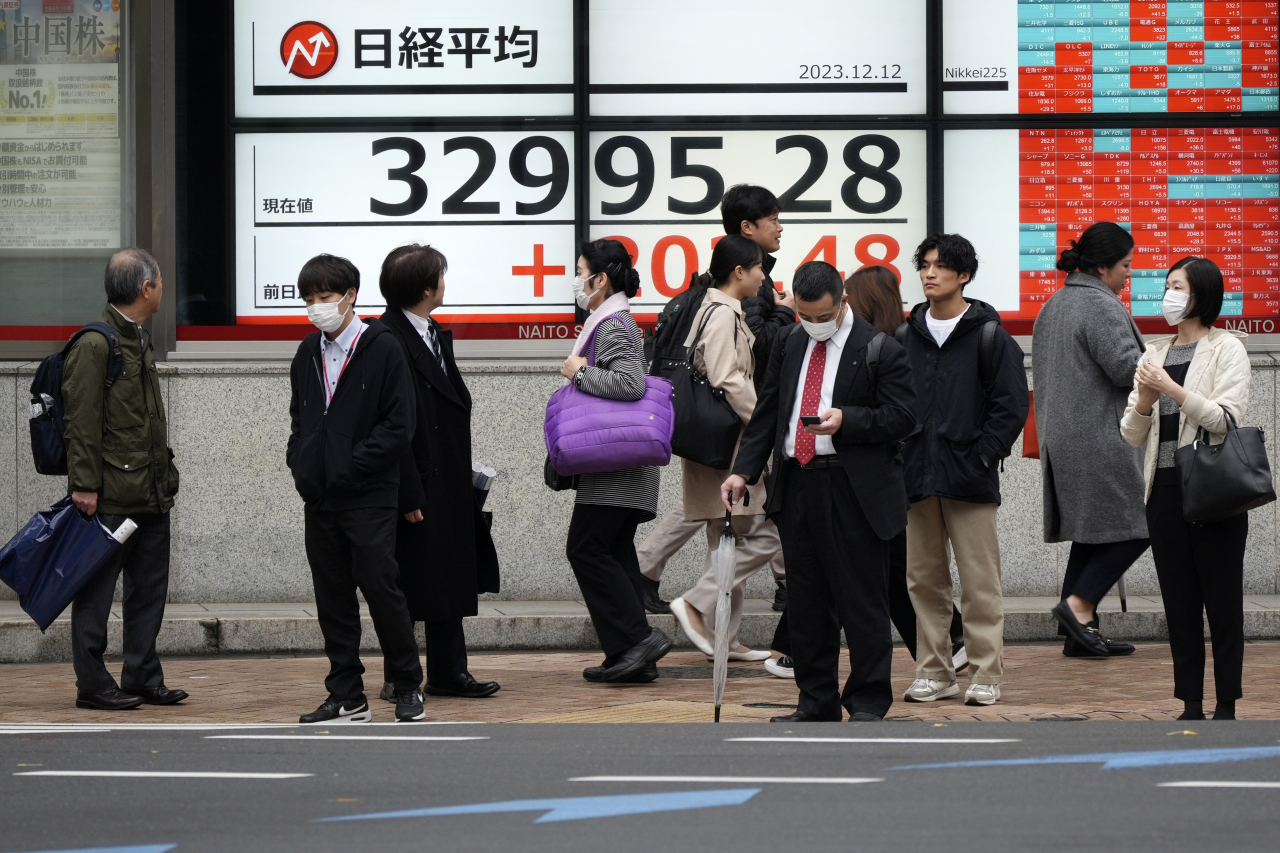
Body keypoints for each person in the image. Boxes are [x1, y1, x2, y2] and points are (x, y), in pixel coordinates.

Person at [722, 261, 917, 722]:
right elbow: (769, 412)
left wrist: (849, 419)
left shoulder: (879, 348)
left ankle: (868, 701)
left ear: (843, 301)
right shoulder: (791, 342)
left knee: (861, 601)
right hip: (798, 483)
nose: (813, 325)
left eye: (821, 316)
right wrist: (742, 472)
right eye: (804, 315)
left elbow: (904, 417)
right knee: (807, 602)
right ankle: (816, 702)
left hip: (854, 488)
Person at [637, 185, 795, 615]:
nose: (781, 227)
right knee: (754, 522)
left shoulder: (720, 291)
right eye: (773, 219)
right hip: (736, 425)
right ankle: (710, 605)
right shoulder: (734, 302)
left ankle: (720, 629)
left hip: (726, 427)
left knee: (723, 526)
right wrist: (785, 312)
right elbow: (742, 363)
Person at [286, 254, 425, 723]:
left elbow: (399, 425)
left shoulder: (382, 346)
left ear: (350, 296)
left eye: (324, 298)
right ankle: (346, 693)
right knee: (332, 598)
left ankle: (407, 684)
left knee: (383, 591)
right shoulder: (307, 352)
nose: (316, 308)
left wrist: (350, 466)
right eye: (309, 299)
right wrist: (304, 465)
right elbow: (300, 421)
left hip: (368, 495)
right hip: (320, 497)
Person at [896, 236, 1030, 707]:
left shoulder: (989, 334)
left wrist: (981, 455)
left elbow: (1012, 405)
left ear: (964, 275)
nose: (930, 274)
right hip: (915, 475)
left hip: (968, 478)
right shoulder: (903, 335)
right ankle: (935, 672)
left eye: (940, 267)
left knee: (979, 582)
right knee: (924, 581)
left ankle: (986, 673)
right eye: (925, 266)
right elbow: (893, 403)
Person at [1121, 257, 1250, 721]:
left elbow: (1226, 418)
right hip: (1164, 488)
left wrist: (1172, 390)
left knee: (1222, 600)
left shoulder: (1227, 348)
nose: (1169, 295)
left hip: (1214, 488)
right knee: (1179, 601)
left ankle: (1227, 703)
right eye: (1168, 285)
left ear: (1202, 294)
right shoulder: (1153, 351)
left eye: (1178, 286)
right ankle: (1190, 702)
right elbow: (1131, 434)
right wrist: (1145, 400)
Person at [376, 244, 501, 703]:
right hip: (415, 482)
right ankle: (400, 675)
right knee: (407, 582)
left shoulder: (430, 333)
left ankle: (450, 672)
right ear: (427, 288)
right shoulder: (387, 338)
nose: (445, 284)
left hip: (446, 478)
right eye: (441, 277)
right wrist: (408, 491)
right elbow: (391, 424)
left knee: (448, 574)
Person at [64, 248, 185, 711]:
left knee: (149, 589)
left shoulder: (137, 337)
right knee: (95, 594)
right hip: (108, 494)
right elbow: (82, 421)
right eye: (160, 281)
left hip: (151, 490)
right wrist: (84, 486)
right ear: (145, 288)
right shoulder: (97, 343)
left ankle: (142, 675)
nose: (162, 288)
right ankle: (92, 683)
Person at [846, 264, 969, 671]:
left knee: (903, 568)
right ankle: (949, 641)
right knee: (901, 568)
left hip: (891, 474)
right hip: (900, 473)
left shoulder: (881, 348)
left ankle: (952, 640)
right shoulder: (900, 341)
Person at [1033, 222, 1148, 657]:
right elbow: (1125, 369)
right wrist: (1160, 359)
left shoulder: (1057, 302)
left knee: (1092, 533)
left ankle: (1078, 633)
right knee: (1140, 523)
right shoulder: (1099, 305)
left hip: (1066, 438)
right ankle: (1078, 606)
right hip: (1100, 438)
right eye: (1125, 265)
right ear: (1102, 268)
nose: (1127, 274)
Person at [666, 236, 780, 663]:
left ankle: (723, 639)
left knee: (727, 539)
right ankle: (696, 601)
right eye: (758, 269)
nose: (763, 277)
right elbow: (727, 378)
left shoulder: (711, 309)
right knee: (770, 532)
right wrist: (763, 423)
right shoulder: (721, 314)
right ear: (739, 272)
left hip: (712, 446)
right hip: (729, 447)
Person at [564, 239, 674, 683]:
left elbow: (630, 385)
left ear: (600, 278)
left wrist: (579, 372)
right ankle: (629, 653)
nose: (575, 281)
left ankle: (637, 638)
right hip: (616, 466)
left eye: (580, 271)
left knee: (586, 548)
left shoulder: (614, 326)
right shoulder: (611, 321)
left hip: (617, 468)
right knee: (612, 550)